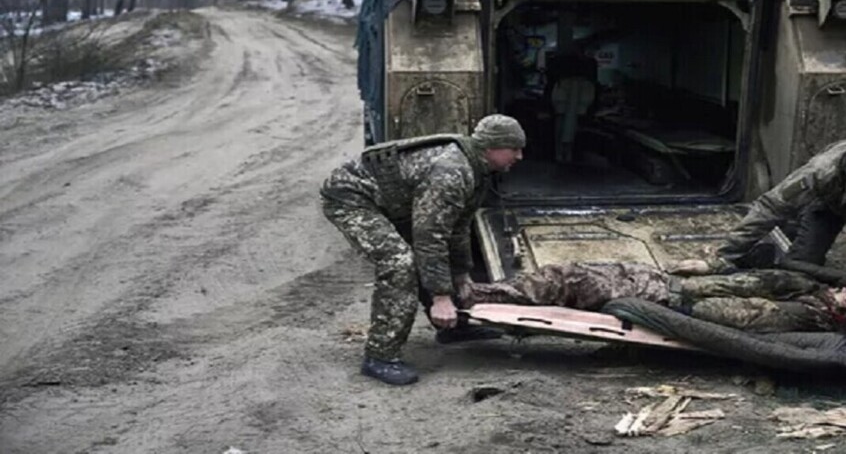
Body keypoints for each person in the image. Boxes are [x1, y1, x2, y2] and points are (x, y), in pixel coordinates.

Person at [320, 115, 526, 385]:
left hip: (395, 202)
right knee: (399, 263)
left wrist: (462, 275)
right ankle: (380, 356)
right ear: (492, 148)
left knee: (433, 254)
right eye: (514, 149)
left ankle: (453, 327)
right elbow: (430, 237)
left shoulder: (478, 168)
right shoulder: (452, 171)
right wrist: (441, 296)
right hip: (352, 198)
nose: (520, 156)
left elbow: (457, 227)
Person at [463, 261, 846, 333]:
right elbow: (751, 278)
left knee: (567, 281)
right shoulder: (807, 288)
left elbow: (730, 318)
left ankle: (470, 299)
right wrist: (707, 266)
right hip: (660, 279)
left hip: (661, 298)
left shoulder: (804, 316)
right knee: (570, 273)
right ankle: (476, 297)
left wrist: (675, 303)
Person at [714, 140, 846, 270]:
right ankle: (778, 242)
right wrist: (726, 254)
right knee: (804, 266)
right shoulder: (819, 173)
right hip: (829, 205)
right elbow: (771, 207)